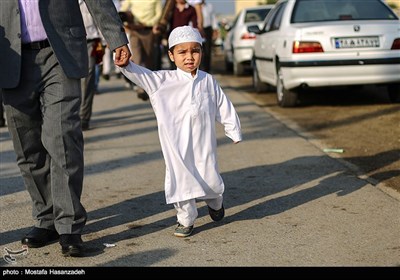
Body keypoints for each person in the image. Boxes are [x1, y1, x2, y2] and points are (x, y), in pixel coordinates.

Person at [0, 0, 131, 257]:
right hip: (10, 57)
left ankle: (69, 225)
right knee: (28, 148)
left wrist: (115, 37)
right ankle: (46, 218)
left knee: (62, 137)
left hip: (60, 52)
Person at [118, 26, 242, 237]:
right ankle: (185, 219)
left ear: (202, 53)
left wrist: (233, 129)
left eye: (195, 51)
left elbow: (224, 106)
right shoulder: (162, 81)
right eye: (182, 52)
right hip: (176, 146)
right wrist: (125, 65)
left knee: (210, 178)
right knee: (181, 181)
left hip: (204, 144)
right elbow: (141, 74)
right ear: (171, 55)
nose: (189, 57)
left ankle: (215, 202)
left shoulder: (208, 80)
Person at [119, 0, 163, 101]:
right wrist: (126, 20)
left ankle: (150, 87)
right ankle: (140, 89)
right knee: (137, 59)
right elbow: (123, 10)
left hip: (148, 30)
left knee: (149, 60)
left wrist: (146, 24)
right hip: (135, 30)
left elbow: (158, 15)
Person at [79, 0, 105, 131]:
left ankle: (84, 118)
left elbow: (101, 17)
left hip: (90, 42)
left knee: (87, 80)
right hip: (67, 43)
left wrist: (106, 42)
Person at [199, 0, 219, 72]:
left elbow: (213, 18)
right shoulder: (193, 6)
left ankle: (207, 70)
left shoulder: (209, 6)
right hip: (197, 29)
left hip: (207, 30)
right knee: (198, 50)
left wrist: (215, 30)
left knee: (207, 51)